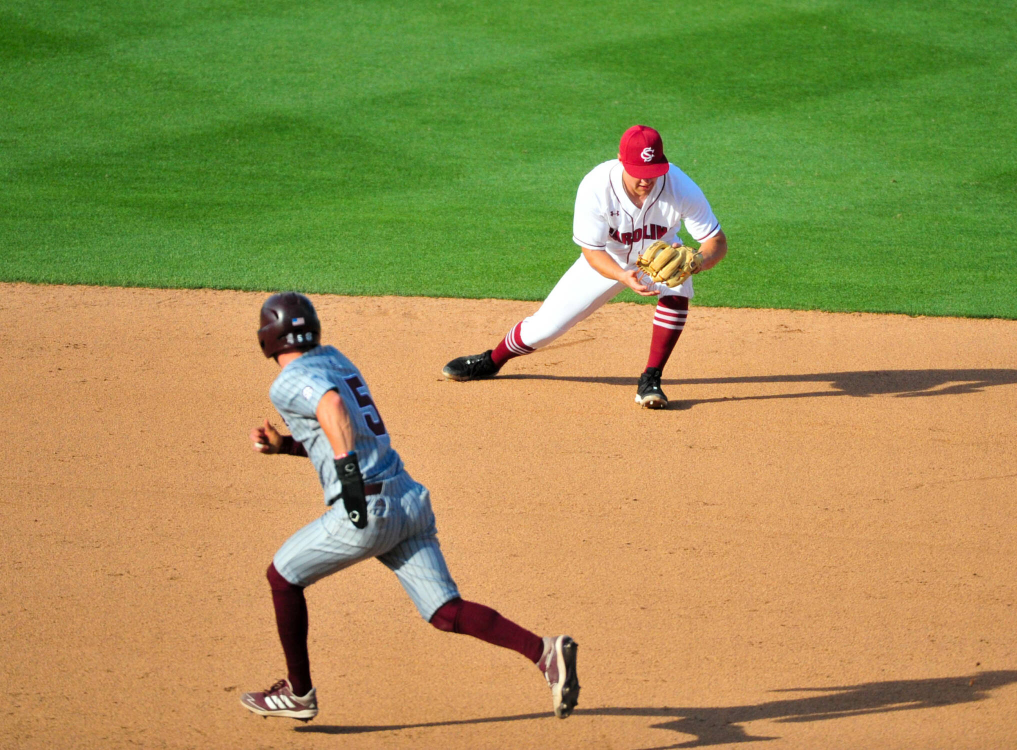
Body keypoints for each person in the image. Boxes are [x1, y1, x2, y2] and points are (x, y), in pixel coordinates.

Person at [240, 292, 579, 722]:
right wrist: (286, 445)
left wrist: (347, 480)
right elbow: (342, 429)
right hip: (407, 499)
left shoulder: (287, 381)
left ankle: (299, 693)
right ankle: (544, 653)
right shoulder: (336, 359)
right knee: (444, 611)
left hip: (367, 508)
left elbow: (331, 408)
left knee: (282, 576)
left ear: (267, 338)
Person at [442, 124, 728, 408]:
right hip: (608, 260)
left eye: (652, 173)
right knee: (543, 329)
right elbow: (591, 251)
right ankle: (491, 361)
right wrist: (622, 275)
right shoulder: (596, 186)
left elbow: (716, 241)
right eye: (638, 173)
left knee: (677, 282)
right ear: (620, 160)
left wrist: (697, 263)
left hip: (658, 257)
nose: (646, 181)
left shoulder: (680, 186)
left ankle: (651, 379)